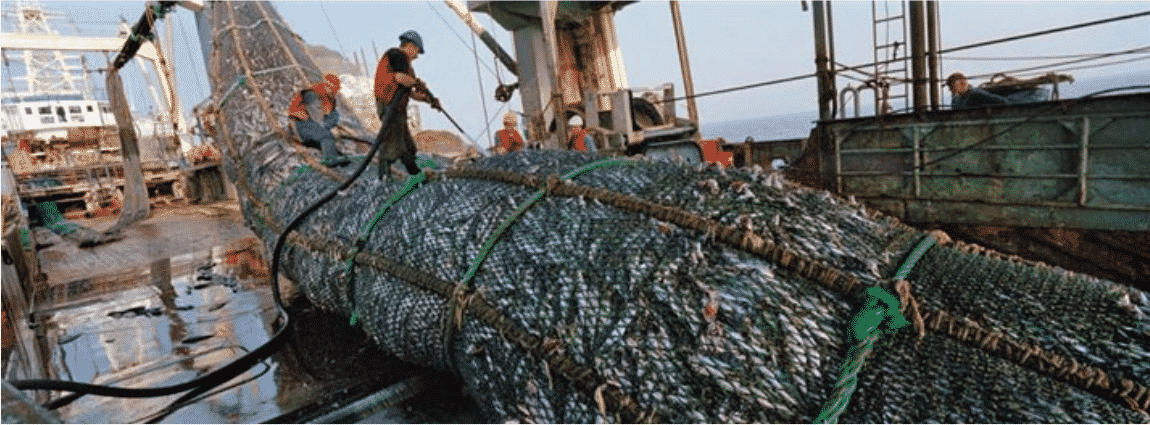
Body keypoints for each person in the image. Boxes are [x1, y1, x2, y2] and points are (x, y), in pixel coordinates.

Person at [373, 30, 441, 180]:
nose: (417, 56)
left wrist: (427, 99)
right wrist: (417, 83)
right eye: (417, 51)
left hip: (398, 108)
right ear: (410, 46)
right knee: (395, 143)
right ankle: (389, 175)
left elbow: (409, 91)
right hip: (389, 104)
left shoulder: (407, 66)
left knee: (408, 144)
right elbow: (399, 78)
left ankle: (413, 170)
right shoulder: (397, 55)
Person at [287, 74, 349, 165]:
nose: (334, 92)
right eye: (333, 89)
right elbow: (316, 117)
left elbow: (330, 114)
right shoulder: (312, 94)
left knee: (334, 116)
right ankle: (330, 161)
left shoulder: (328, 97)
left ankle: (332, 154)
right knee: (326, 136)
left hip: (312, 125)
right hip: (301, 125)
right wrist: (328, 130)